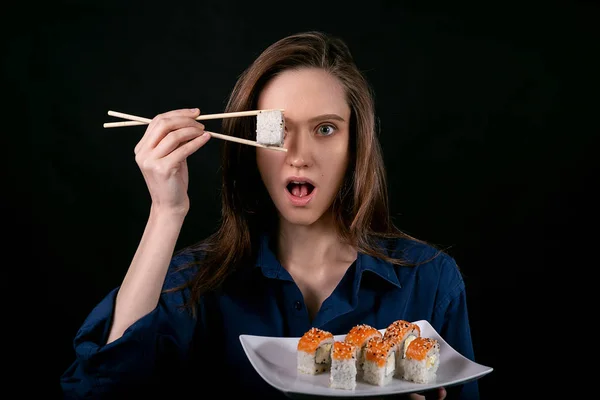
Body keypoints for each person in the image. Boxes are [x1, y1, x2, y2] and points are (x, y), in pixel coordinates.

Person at [60, 31, 479, 399]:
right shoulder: (196, 284)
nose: (298, 156)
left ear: (356, 145)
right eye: (274, 130)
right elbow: (99, 390)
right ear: (248, 144)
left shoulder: (429, 280)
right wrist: (167, 212)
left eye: (326, 128)